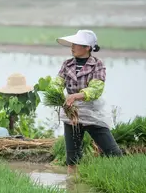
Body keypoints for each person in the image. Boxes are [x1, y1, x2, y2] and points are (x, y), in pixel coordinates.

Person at [49, 29, 123, 174]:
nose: (72, 47)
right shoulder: (67, 64)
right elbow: (57, 83)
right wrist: (56, 94)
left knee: (113, 152)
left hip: (92, 112)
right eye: (72, 44)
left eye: (76, 44)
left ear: (87, 47)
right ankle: (73, 186)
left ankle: (120, 178)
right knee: (73, 157)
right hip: (72, 113)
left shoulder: (97, 65)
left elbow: (96, 89)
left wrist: (76, 96)